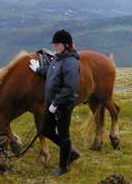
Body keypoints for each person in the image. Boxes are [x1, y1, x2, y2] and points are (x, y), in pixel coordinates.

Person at [28, 29, 81, 176]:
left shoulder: (70, 62)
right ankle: (72, 152)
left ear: (66, 45)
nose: (55, 47)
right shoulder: (58, 59)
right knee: (46, 130)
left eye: (57, 44)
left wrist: (56, 103)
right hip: (53, 104)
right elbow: (51, 73)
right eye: (55, 44)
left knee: (64, 134)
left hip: (64, 104)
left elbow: (70, 88)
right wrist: (38, 69)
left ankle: (63, 166)